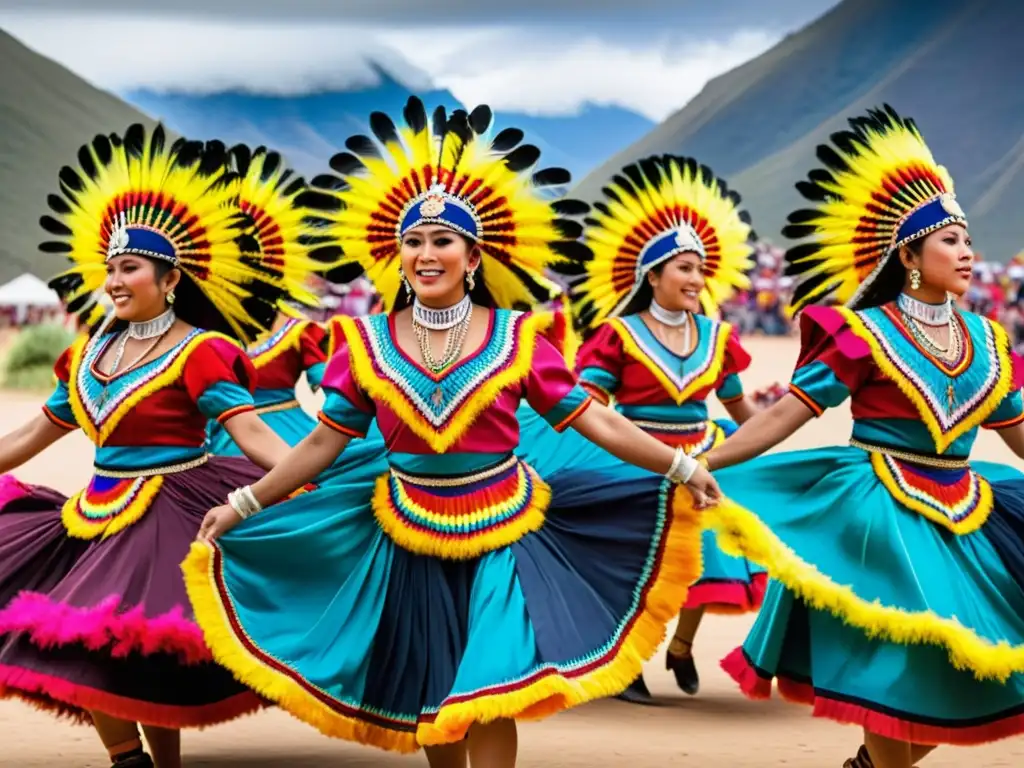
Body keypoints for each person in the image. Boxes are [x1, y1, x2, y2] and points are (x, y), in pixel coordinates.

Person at [181, 96, 719, 767]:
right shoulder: (365, 344)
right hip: (406, 532)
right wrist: (245, 502)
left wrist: (682, 466)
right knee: (434, 699)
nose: (425, 253)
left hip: (506, 533)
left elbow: (598, 420)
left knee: (488, 690)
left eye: (442, 242)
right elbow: (323, 443)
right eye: (413, 241)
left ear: (473, 256)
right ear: (397, 255)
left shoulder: (520, 339)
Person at [698, 105, 1024, 768]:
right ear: (909, 254)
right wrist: (700, 462)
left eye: (967, 241)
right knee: (895, 678)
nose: (966, 253)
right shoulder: (864, 334)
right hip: (877, 520)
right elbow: (781, 415)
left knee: (984, 673)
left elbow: (1019, 436)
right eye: (949, 242)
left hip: (969, 517)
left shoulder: (990, 345)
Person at [0, 124, 333, 768]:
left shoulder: (200, 352)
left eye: (131, 268)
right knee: (88, 641)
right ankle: (132, 761)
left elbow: (255, 435)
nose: (116, 282)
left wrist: (318, 477)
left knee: (137, 647)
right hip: (95, 513)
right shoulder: (87, 356)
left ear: (169, 277)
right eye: (111, 269)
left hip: (171, 510)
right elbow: (29, 436)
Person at [515, 154, 764, 704]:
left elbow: (741, 410)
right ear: (652, 276)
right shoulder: (618, 336)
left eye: (701, 269)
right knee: (635, 562)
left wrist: (775, 443)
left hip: (706, 452)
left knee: (712, 554)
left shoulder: (719, 338)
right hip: (635, 456)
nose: (697, 279)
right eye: (684, 269)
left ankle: (681, 645)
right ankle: (628, 662)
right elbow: (591, 406)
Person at [205, 144, 330, 457]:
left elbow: (339, 399)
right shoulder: (197, 338)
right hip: (218, 451)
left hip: (291, 446)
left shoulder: (300, 333)